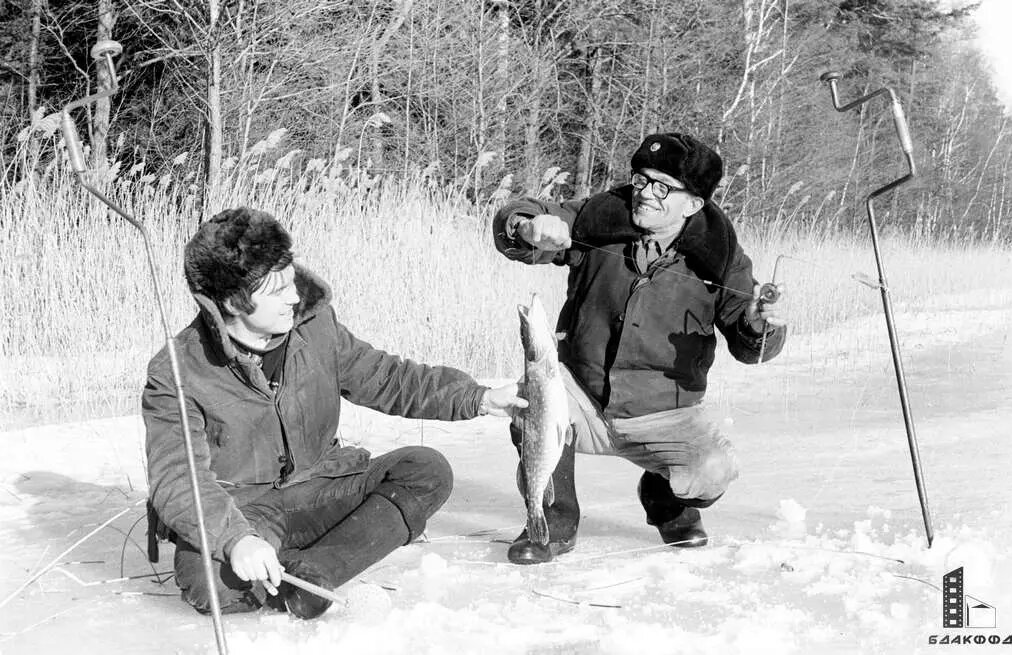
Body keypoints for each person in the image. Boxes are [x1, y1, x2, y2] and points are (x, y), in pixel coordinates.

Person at [143, 208, 525, 619]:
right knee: (208, 585)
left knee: (426, 470)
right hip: (245, 509)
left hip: (324, 485)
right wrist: (237, 540)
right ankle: (311, 553)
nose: (293, 297)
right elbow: (177, 478)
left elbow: (386, 377)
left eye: (292, 280)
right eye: (277, 291)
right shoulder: (177, 370)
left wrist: (478, 397)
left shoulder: (314, 326)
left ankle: (315, 573)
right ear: (233, 302)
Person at [493, 133, 787, 564]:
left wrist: (760, 326)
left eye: (663, 187)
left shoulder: (720, 257)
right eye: (642, 179)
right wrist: (527, 225)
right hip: (583, 396)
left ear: (694, 204)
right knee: (530, 401)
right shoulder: (601, 218)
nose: (645, 194)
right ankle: (552, 523)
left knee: (714, 470)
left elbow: (751, 346)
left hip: (664, 415)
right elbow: (517, 223)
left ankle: (665, 497)